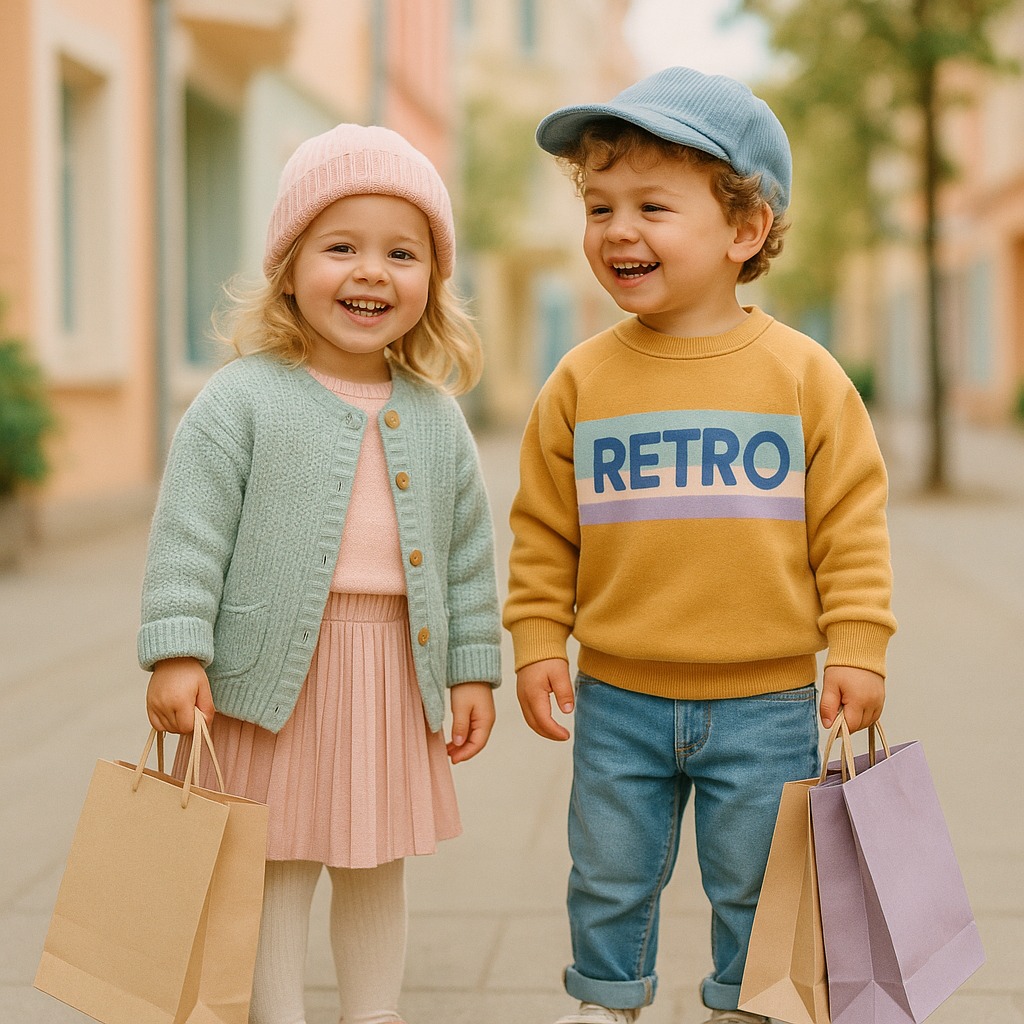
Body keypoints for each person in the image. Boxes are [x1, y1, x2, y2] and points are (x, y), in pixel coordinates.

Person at [503, 66, 896, 1024]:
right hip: (618, 696)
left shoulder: (802, 375)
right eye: (599, 206)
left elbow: (850, 521)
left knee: (758, 881)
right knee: (606, 874)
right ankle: (606, 1000)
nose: (617, 230)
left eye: (651, 206)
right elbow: (544, 529)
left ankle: (750, 1001)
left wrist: (858, 645)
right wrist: (536, 640)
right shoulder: (580, 380)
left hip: (765, 699)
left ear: (744, 230)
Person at [139, 123, 502, 1024]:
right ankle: (276, 1015)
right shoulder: (241, 399)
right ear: (289, 269)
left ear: (432, 280)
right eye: (341, 247)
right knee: (275, 859)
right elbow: (189, 532)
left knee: (377, 862)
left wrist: (471, 668)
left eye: (401, 252)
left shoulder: (435, 416)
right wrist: (178, 650)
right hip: (267, 678)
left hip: (389, 670)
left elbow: (465, 556)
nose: (372, 271)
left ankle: (373, 1014)